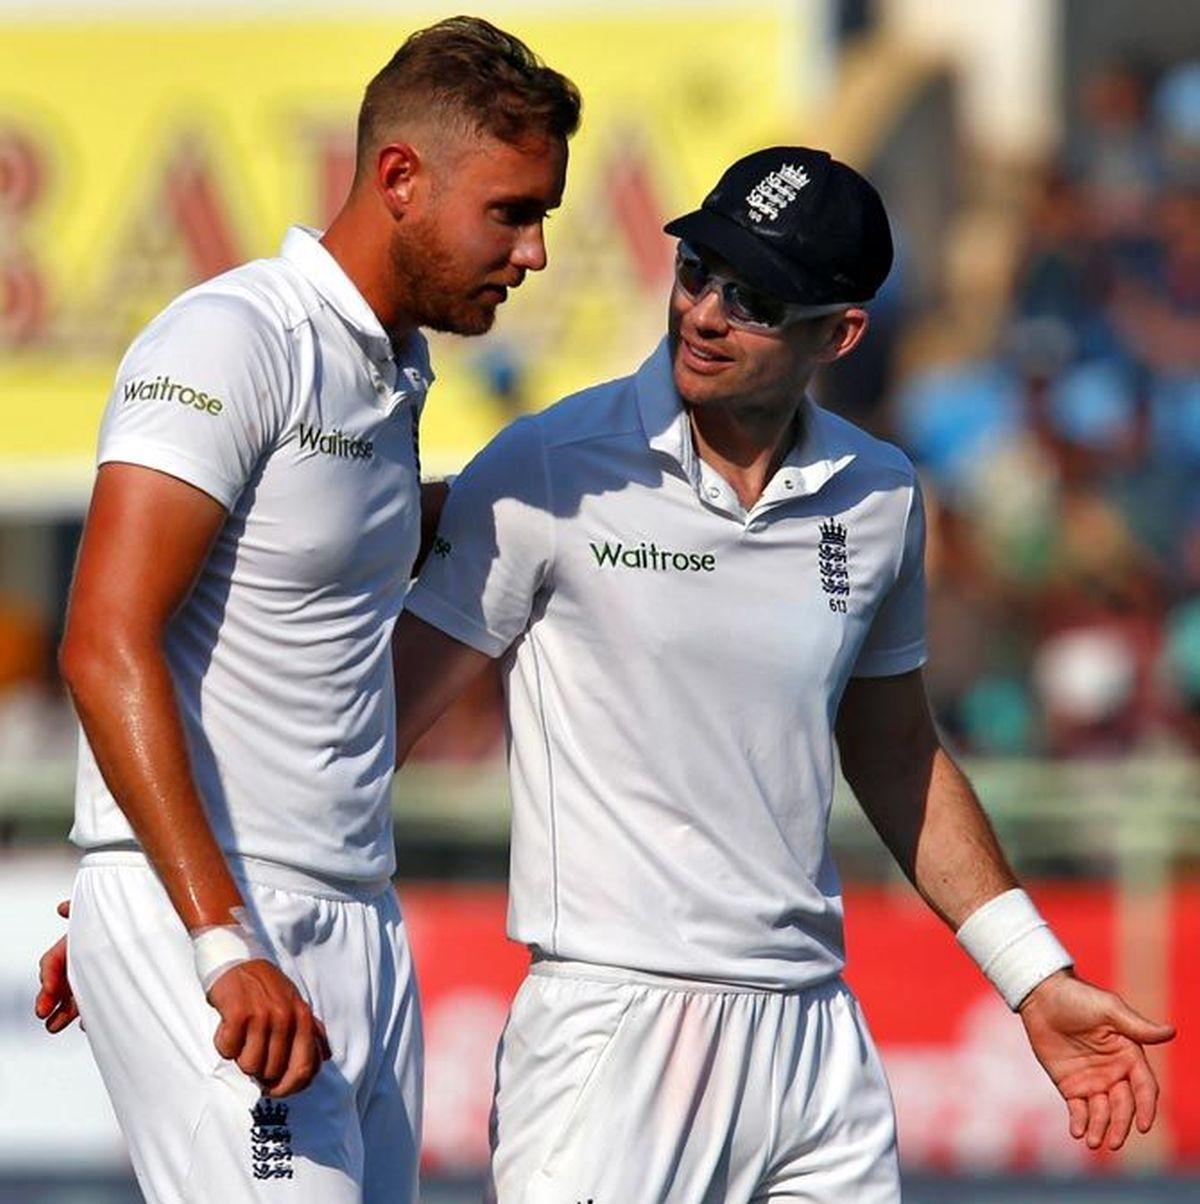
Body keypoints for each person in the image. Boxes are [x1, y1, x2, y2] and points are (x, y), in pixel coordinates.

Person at [383, 147, 1175, 1201]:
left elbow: (896, 753)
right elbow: (378, 719)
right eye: (697, 267)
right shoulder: (547, 465)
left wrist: (1033, 975)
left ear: (838, 333)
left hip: (817, 1040)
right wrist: (186, 902)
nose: (704, 311)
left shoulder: (881, 493)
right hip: (613, 1032)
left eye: (753, 296)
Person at [38, 17, 579, 1203]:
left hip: (356, 918)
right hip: (235, 929)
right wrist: (197, 928)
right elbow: (100, 639)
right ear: (400, 179)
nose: (535, 250)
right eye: (512, 211)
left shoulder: (392, 371)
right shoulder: (235, 338)